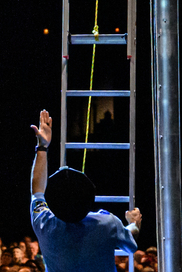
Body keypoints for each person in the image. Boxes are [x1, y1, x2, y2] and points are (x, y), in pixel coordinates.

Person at [28, 110, 140, 272]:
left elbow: (37, 190)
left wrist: (42, 147)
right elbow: (130, 246)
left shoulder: (44, 223)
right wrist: (133, 224)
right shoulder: (107, 223)